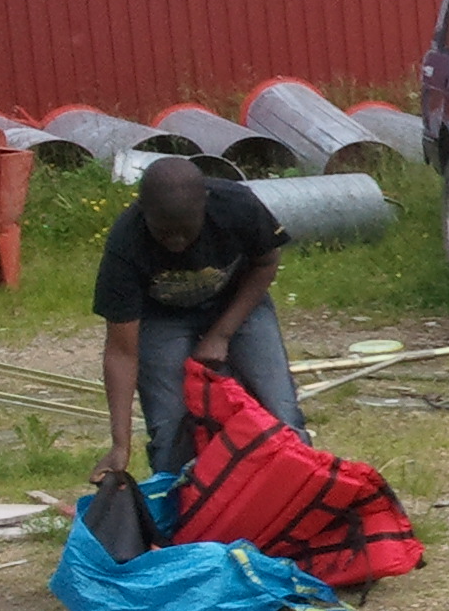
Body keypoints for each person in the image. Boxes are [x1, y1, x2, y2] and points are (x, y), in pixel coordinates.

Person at [91, 157, 304, 479]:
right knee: (170, 429)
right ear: (142, 211)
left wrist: (221, 334)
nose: (177, 242)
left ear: (205, 205)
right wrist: (120, 444)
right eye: (164, 233)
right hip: (162, 317)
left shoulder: (237, 206)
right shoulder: (126, 245)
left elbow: (266, 263)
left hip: (238, 301)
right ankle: (182, 499)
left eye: (186, 230)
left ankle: (295, 488)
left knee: (281, 412)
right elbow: (122, 352)